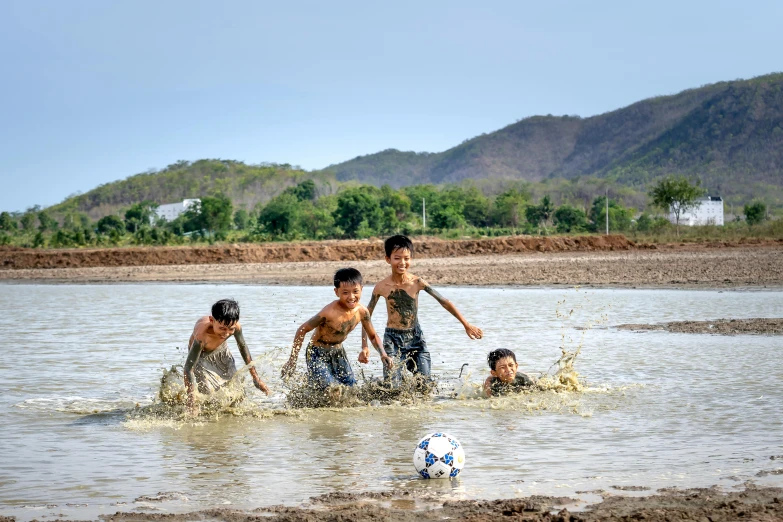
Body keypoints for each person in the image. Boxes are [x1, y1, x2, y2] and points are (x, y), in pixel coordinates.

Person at [362, 235, 483, 385]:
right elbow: (366, 316)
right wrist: (364, 346)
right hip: (392, 340)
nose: (402, 262)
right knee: (393, 386)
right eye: (397, 258)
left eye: (406, 258)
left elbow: (444, 302)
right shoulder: (381, 287)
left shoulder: (417, 282)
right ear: (388, 259)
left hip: (415, 337)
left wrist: (466, 324)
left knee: (425, 383)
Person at [281, 268, 393, 391]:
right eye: (345, 293)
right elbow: (302, 330)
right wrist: (292, 360)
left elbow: (372, 335)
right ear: (336, 292)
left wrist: (382, 354)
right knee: (331, 389)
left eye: (355, 291)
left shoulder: (362, 311)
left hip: (338, 351)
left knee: (351, 389)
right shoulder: (328, 312)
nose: (351, 297)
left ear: (361, 288)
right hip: (317, 352)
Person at [184, 298, 269, 414]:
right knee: (207, 392)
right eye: (222, 328)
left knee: (236, 389)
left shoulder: (236, 327)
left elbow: (243, 348)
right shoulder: (201, 335)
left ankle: (230, 415)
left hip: (221, 349)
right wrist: (190, 402)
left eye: (231, 329)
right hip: (201, 353)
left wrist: (256, 378)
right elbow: (188, 369)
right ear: (211, 320)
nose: (226, 333)